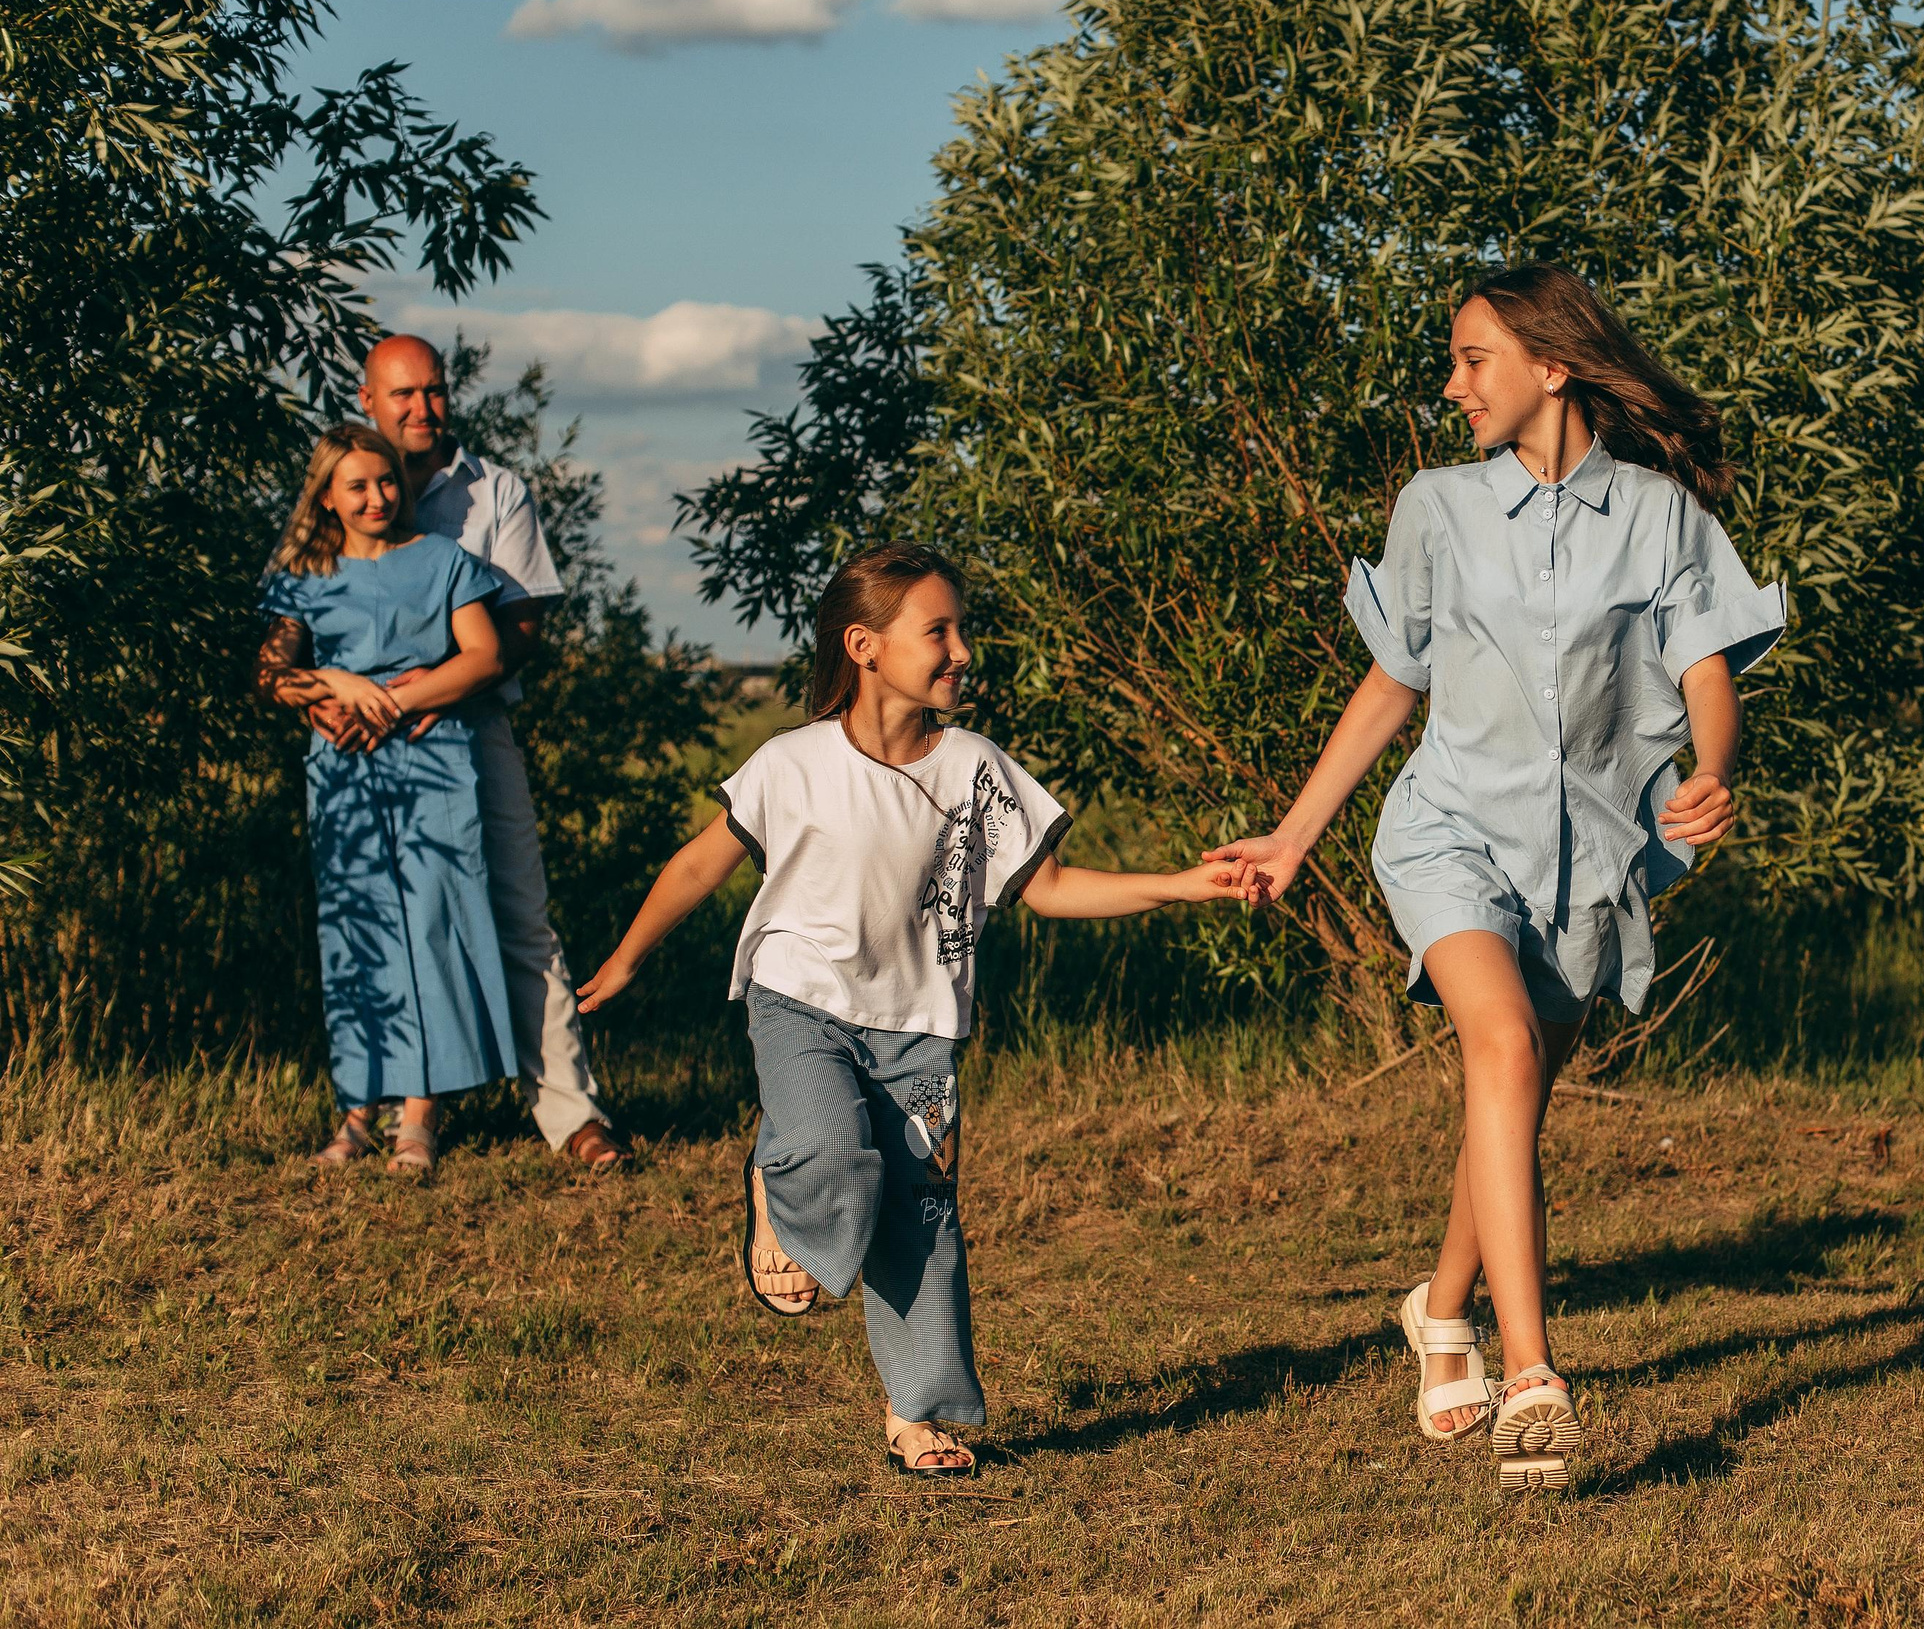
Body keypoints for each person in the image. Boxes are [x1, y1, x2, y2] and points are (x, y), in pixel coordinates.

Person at [1207, 263, 1787, 1492]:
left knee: (1511, 1091)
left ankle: (1442, 1309)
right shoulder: (1436, 505)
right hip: (1449, 830)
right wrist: (1298, 833)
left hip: (1592, 853)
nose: (1454, 381)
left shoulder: (1660, 514)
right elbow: (1393, 680)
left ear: (1551, 365)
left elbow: (1705, 671)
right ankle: (1533, 1378)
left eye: (1474, 358)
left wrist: (1714, 769)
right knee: (1504, 1049)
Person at [574, 542, 1254, 1477]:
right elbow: (701, 863)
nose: (962, 649)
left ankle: (918, 1412)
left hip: (920, 1028)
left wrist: (1181, 884)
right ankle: (782, 1183)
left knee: (922, 1216)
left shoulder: (975, 768)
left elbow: (1050, 886)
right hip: (799, 999)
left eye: (961, 629)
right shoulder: (791, 762)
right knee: (829, 1148)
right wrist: (624, 958)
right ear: (864, 645)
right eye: (939, 630)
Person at [334, 334, 628, 1170]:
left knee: (519, 917)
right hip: (366, 739)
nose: (422, 408)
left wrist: (437, 686)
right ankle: (385, 1112)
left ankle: (573, 1115)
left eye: (433, 391)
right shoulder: (345, 487)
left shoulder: (495, 493)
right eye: (403, 395)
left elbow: (524, 625)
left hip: (473, 726)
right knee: (380, 920)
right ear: (368, 399)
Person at [255, 425, 519, 1176]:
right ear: (327, 497)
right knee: (356, 932)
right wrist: (337, 685)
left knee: (433, 925)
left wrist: (395, 703)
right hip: (342, 769)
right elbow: (274, 675)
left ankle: (420, 1120)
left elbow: (486, 656)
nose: (377, 497)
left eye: (387, 481)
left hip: (434, 762)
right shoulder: (303, 574)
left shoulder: (440, 561)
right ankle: (355, 1114)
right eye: (358, 486)